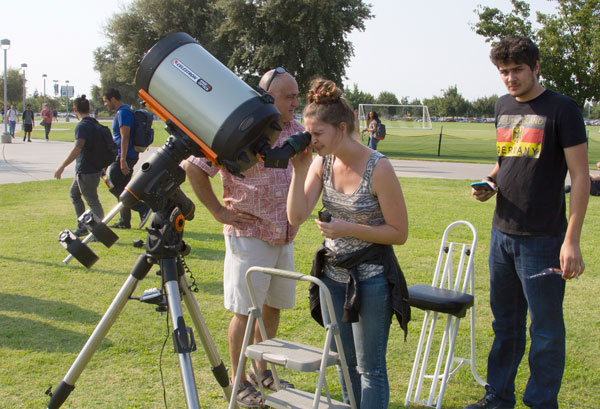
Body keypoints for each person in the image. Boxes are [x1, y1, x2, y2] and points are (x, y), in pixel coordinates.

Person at [466, 36, 589, 409]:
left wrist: (571, 241)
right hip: (502, 233)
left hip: (544, 240)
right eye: (503, 71)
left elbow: (580, 177)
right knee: (505, 325)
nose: (510, 78)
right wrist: (490, 182)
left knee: (546, 332)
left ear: (536, 67)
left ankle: (540, 403)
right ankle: (497, 398)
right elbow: (507, 159)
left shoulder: (563, 109)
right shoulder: (503, 105)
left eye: (517, 69)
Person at [182, 68, 303, 408]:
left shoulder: (295, 129)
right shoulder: (239, 130)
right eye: (288, 96)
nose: (296, 101)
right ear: (267, 98)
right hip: (249, 234)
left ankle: (262, 370)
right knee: (245, 311)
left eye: (296, 94)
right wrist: (219, 212)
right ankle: (238, 379)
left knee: (273, 306)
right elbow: (194, 166)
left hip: (284, 233)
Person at [287, 78, 410, 409]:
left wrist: (347, 228)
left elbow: (399, 232)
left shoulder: (378, 167)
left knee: (370, 369)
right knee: (344, 361)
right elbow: (296, 216)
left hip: (372, 279)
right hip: (333, 277)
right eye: (308, 135)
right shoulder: (321, 162)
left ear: (341, 128)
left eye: (317, 135)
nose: (310, 142)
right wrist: (298, 172)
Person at [54, 95, 105, 236]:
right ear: (89, 109)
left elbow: (77, 148)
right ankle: (83, 226)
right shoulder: (95, 123)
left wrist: (62, 166)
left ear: (75, 110)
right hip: (91, 168)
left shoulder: (82, 126)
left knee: (93, 202)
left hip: (87, 170)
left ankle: (99, 232)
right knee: (74, 194)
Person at [101, 88, 151, 229]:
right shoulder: (122, 112)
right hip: (124, 156)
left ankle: (142, 208)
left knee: (113, 187)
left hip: (125, 156)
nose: (105, 104)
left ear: (113, 99)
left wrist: (122, 160)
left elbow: (125, 136)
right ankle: (124, 221)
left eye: (106, 101)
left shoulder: (123, 113)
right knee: (123, 189)